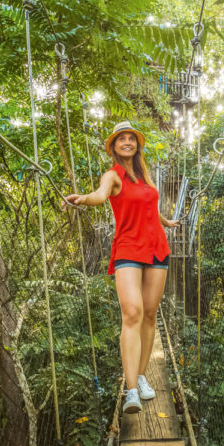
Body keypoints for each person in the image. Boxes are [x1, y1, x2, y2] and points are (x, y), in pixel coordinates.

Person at [64, 121, 179, 413]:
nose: (127, 142)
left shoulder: (144, 176)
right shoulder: (113, 176)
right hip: (129, 247)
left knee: (151, 314)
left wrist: (168, 222)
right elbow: (100, 195)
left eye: (131, 138)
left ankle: (141, 376)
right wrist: (83, 199)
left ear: (137, 145)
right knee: (133, 313)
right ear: (114, 147)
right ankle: (130, 392)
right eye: (121, 139)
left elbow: (149, 206)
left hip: (157, 248)